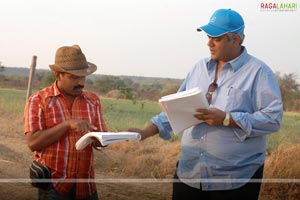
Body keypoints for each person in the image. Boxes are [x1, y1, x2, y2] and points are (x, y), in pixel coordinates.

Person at [128, 8, 283, 200]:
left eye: (216, 38)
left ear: (236, 39)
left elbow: (273, 119)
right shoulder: (198, 68)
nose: (208, 43)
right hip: (190, 173)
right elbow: (176, 108)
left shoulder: (259, 72)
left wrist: (227, 119)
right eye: (209, 37)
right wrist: (145, 132)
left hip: (234, 179)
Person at [24, 44, 107, 199]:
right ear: (58, 75)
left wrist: (101, 140)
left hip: (86, 186)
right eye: (74, 77)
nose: (81, 82)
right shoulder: (39, 100)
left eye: (83, 76)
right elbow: (33, 143)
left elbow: (101, 139)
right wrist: (67, 125)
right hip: (54, 186)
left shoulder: (93, 100)